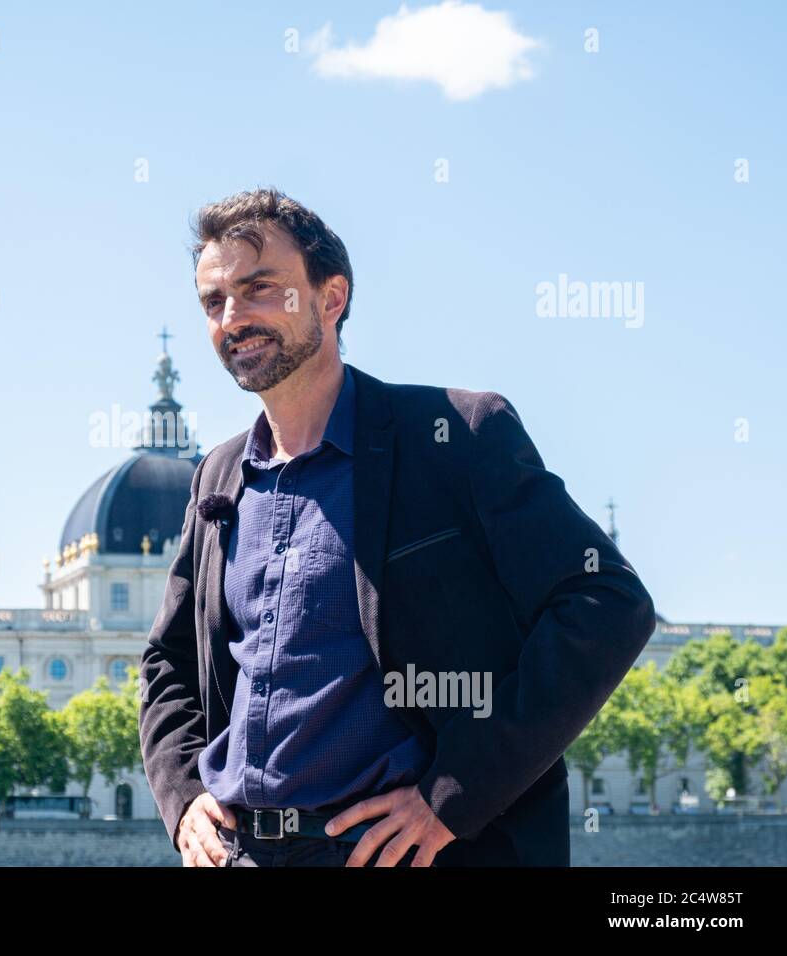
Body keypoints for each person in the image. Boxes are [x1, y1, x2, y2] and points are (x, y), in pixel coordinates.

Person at [139, 188, 655, 867]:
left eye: (260, 289)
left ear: (331, 298)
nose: (234, 317)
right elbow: (168, 663)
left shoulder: (458, 437)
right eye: (214, 301)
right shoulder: (218, 477)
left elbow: (607, 603)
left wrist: (452, 795)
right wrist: (182, 798)